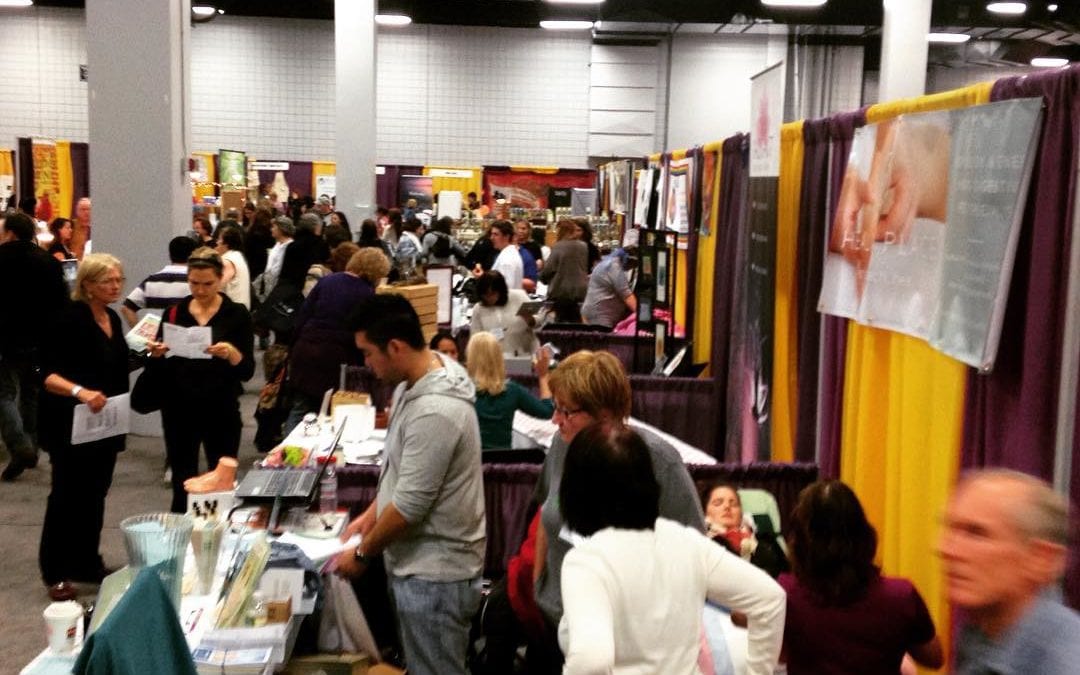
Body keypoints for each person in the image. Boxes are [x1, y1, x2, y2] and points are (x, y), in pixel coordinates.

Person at [335, 293, 485, 675]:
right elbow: (403, 474)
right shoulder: (415, 382)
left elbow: (411, 507)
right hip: (418, 566)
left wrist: (363, 554)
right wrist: (371, 514)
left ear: (396, 347)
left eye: (368, 353)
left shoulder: (435, 409)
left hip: (435, 576)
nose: (366, 364)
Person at [559, 424, 785, 675]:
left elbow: (591, 661)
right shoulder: (687, 541)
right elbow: (770, 600)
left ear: (577, 491)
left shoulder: (586, 561)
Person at [532, 350, 705, 671]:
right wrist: (539, 586)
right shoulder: (561, 444)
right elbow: (546, 513)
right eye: (556, 407)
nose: (556, 420)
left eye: (566, 411)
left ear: (606, 415)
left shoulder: (659, 462)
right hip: (556, 625)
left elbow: (694, 553)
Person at [37, 254, 128, 601]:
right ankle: (55, 570)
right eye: (107, 281)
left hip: (104, 423)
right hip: (69, 423)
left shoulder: (113, 319)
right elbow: (47, 375)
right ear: (87, 284)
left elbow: (114, 363)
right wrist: (80, 392)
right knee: (65, 496)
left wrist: (149, 353)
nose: (115, 286)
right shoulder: (66, 320)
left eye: (118, 280)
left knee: (95, 494)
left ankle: (87, 561)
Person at [780, 480, 943, 674]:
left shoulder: (784, 593)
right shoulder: (901, 596)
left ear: (799, 541)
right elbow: (935, 658)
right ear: (863, 533)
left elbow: (780, 655)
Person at [146, 248, 255, 513]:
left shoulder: (236, 314)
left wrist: (231, 353)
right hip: (179, 409)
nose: (201, 290)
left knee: (222, 479)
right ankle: (182, 540)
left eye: (208, 284)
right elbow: (158, 363)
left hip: (221, 407)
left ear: (221, 280)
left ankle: (219, 541)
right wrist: (157, 353)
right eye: (194, 283)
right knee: (183, 481)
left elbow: (248, 370)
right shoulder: (174, 313)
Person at [940, 469, 1080, 675]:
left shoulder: (1065, 663)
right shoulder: (978, 635)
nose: (946, 549)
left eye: (976, 533)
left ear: (1041, 559)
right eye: (951, 529)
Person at [285, 248, 390, 432]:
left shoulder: (326, 281)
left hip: (305, 350)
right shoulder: (367, 294)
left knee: (301, 410)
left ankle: (287, 454)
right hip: (337, 358)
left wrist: (292, 349)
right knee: (333, 413)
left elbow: (302, 316)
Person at [0, 213, 69, 481]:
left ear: (11, 233)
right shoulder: (49, 263)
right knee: (31, 392)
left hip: (5, 338)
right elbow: (62, 301)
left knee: (4, 394)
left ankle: (20, 445)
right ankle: (31, 444)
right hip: (41, 340)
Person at [467, 331, 553, 450]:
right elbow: (547, 411)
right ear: (499, 357)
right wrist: (543, 376)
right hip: (504, 462)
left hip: (473, 462)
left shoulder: (463, 391)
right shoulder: (512, 390)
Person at [120, 235, 197, 327]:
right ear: (193, 255)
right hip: (187, 336)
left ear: (170, 255)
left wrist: (139, 335)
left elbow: (127, 307)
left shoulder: (152, 280)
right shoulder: (195, 282)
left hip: (157, 338)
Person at [469, 271, 537, 356]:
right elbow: (475, 339)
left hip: (522, 354)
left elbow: (539, 321)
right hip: (493, 358)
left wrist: (530, 320)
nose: (489, 298)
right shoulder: (478, 308)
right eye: (485, 295)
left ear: (501, 291)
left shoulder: (519, 297)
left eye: (492, 294)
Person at [581, 246, 637, 330]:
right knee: (601, 341)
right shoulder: (613, 267)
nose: (631, 268)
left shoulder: (608, 262)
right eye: (633, 265)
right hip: (600, 316)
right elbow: (626, 295)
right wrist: (642, 316)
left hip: (596, 313)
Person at [539, 219, 589, 304]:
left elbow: (549, 269)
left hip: (561, 293)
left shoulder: (558, 246)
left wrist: (541, 278)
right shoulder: (583, 246)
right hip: (581, 292)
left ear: (562, 231)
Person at [488, 219, 524, 290]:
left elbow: (506, 289)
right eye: (491, 234)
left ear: (506, 236)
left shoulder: (507, 260)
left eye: (496, 234)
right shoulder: (510, 253)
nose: (491, 238)